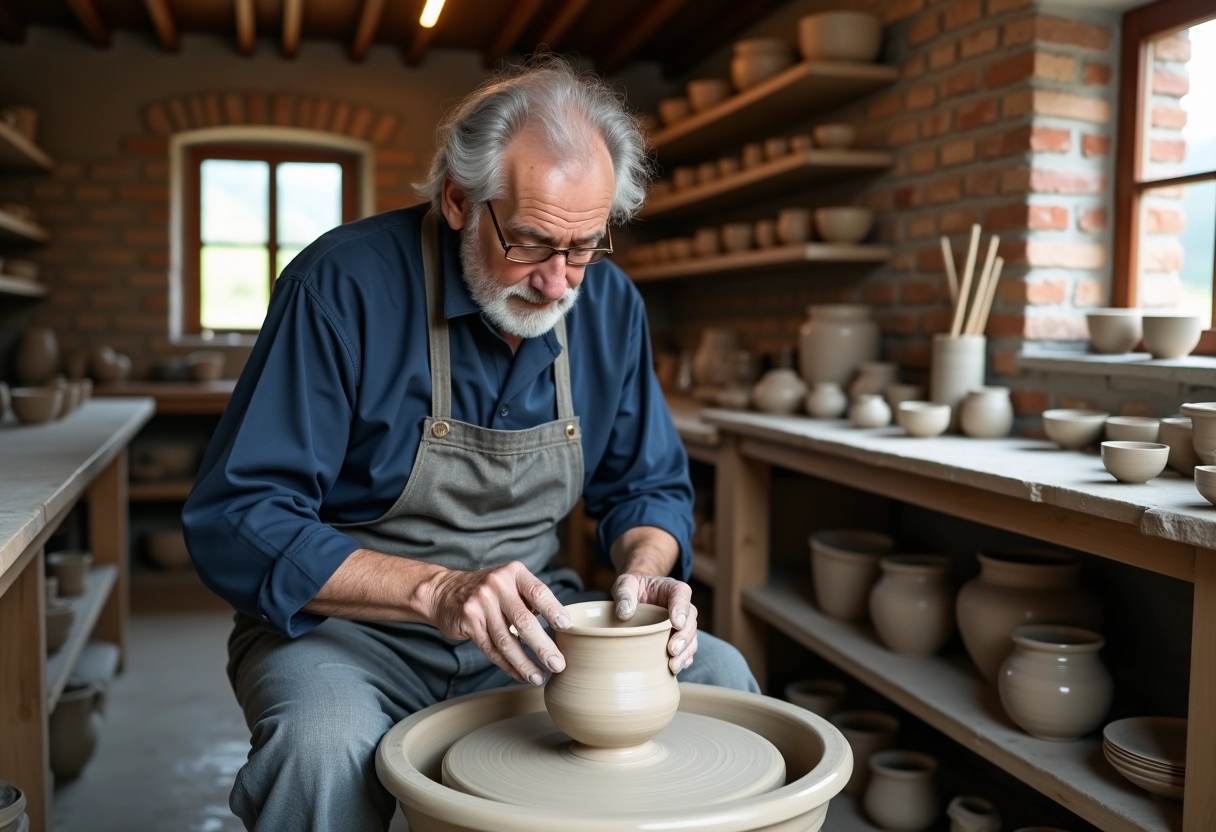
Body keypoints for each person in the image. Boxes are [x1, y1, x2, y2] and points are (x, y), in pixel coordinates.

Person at [182, 57, 758, 832]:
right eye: (529, 243)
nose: (558, 283)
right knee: (318, 752)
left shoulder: (611, 306)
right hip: (349, 632)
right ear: (458, 199)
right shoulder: (342, 286)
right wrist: (439, 592)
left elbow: (647, 487)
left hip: (530, 627)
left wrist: (646, 576)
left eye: (584, 247)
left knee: (726, 683)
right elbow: (239, 517)